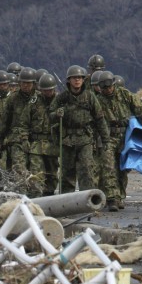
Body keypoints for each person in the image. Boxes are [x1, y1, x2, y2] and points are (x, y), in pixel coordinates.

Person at [97, 70, 142, 211]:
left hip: (125, 136)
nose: (108, 90)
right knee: (108, 167)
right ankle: (112, 198)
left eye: (110, 86)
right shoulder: (97, 100)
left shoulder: (125, 95)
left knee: (123, 168)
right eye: (104, 88)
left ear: (113, 84)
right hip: (107, 137)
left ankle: (120, 196)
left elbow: (140, 112)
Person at [49, 65, 110, 193]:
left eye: (80, 78)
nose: (77, 80)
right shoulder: (62, 98)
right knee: (67, 172)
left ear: (83, 80)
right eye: (74, 78)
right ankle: (66, 202)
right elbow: (50, 115)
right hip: (67, 140)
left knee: (87, 170)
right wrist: (57, 114)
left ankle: (87, 200)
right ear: (69, 80)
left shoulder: (90, 97)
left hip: (85, 139)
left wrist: (106, 140)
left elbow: (100, 119)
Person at [0, 66, 39, 174]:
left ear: (33, 83)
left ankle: (35, 190)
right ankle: (20, 189)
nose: (25, 85)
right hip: (17, 139)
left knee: (35, 169)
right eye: (23, 83)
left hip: (36, 139)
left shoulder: (39, 98)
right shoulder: (13, 98)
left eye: (28, 83)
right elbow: (5, 120)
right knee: (19, 168)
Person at [22, 72, 59, 196]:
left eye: (50, 90)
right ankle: (36, 195)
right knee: (36, 173)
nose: (47, 93)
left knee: (52, 173)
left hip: (53, 143)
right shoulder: (34, 102)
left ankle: (49, 193)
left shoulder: (60, 102)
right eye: (45, 90)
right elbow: (24, 122)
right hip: (36, 144)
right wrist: (24, 139)